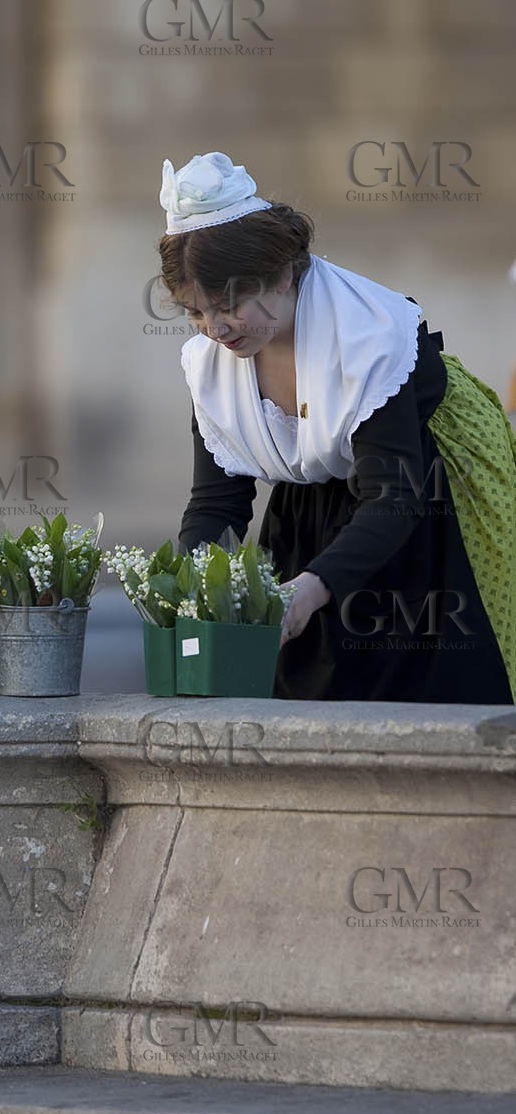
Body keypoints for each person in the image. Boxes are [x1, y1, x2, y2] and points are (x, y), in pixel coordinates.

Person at [160, 151, 516, 703]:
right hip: (313, 509)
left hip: (426, 498)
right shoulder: (212, 366)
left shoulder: (368, 335)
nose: (215, 328)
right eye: (195, 312)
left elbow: (394, 496)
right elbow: (216, 504)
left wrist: (311, 588)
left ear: (282, 273)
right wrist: (195, 591)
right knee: (307, 685)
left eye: (229, 304)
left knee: (422, 687)